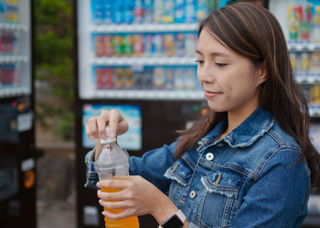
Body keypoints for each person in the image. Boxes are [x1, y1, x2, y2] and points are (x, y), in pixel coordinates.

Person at [84, 2, 320, 227]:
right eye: (200, 61)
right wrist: (107, 141)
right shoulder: (202, 140)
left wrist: (163, 210)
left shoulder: (282, 161)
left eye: (220, 63)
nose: (204, 75)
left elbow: (157, 204)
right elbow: (122, 178)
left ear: (262, 71)